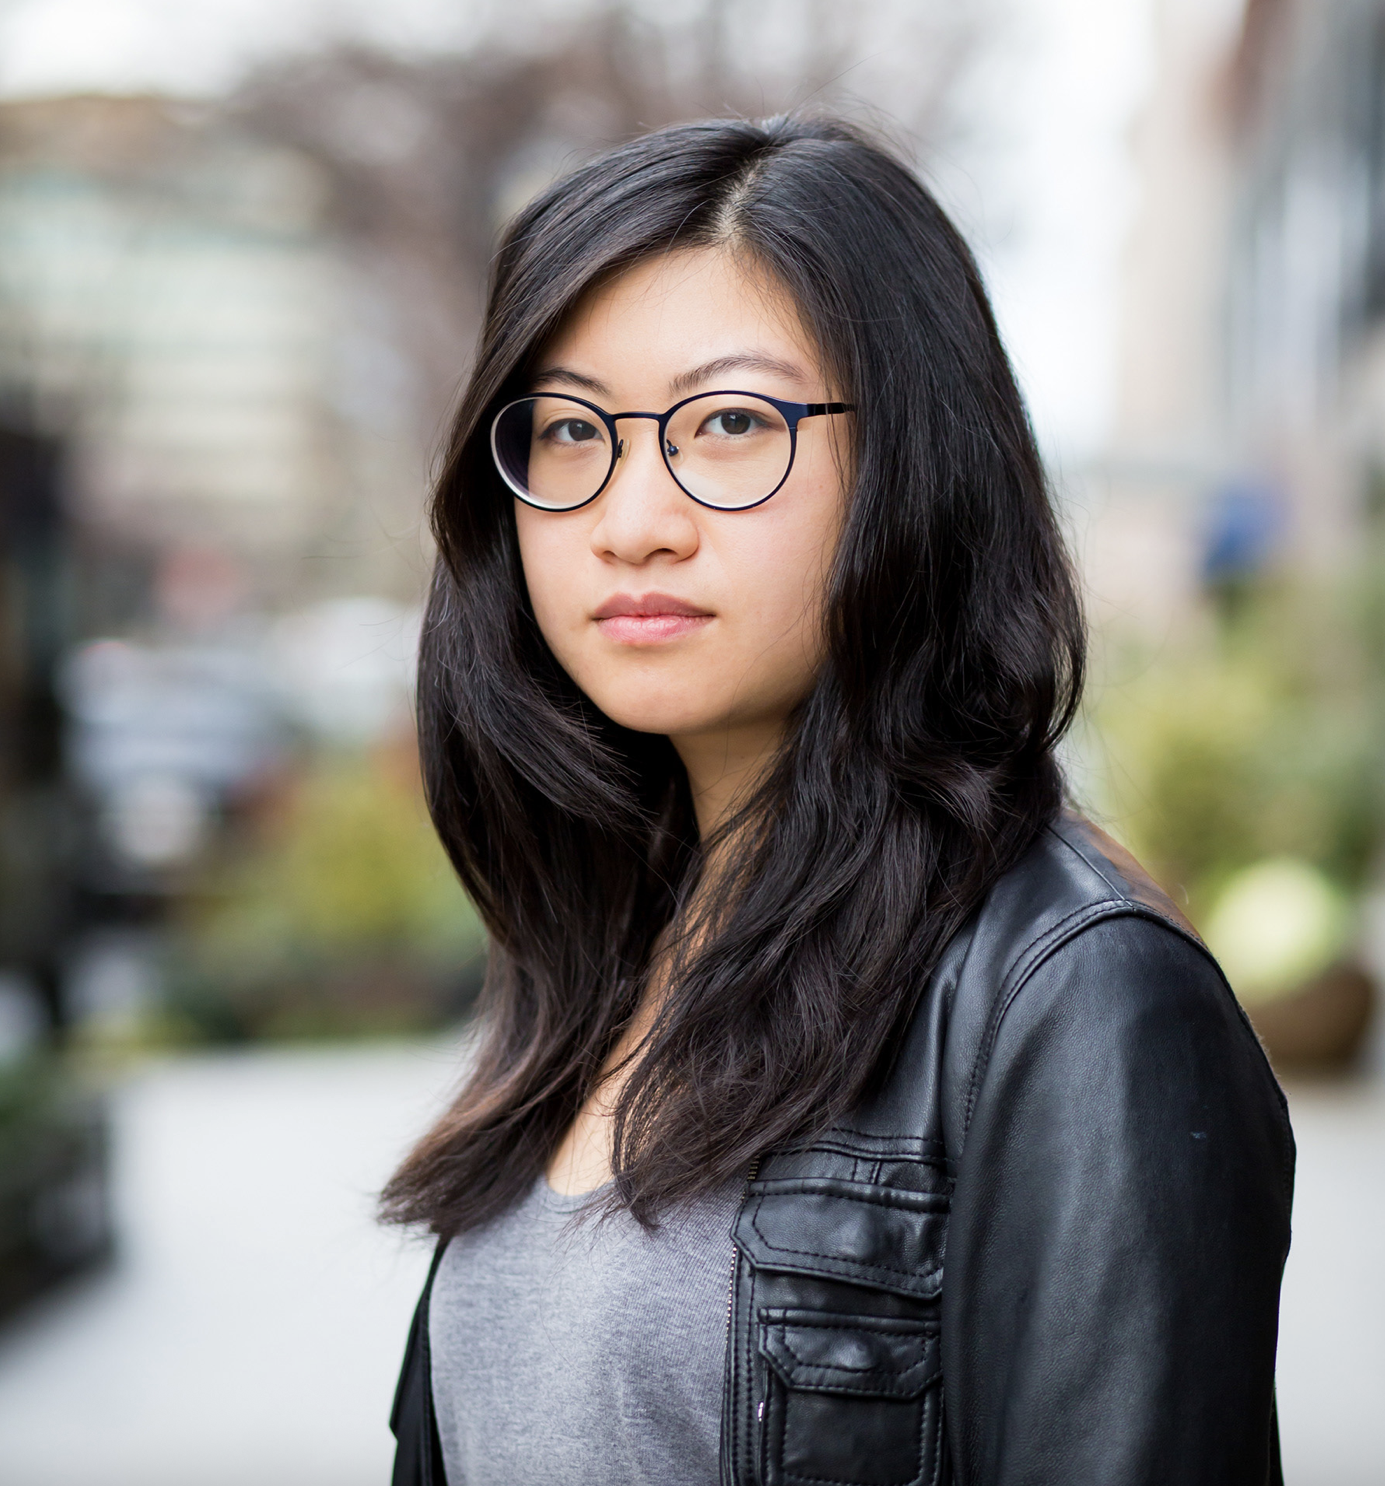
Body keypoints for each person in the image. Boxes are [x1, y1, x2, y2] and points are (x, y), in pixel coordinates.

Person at [384, 114, 1294, 1486]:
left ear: (913, 464)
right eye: (571, 431)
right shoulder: (600, 948)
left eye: (733, 422)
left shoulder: (1076, 998)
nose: (633, 515)